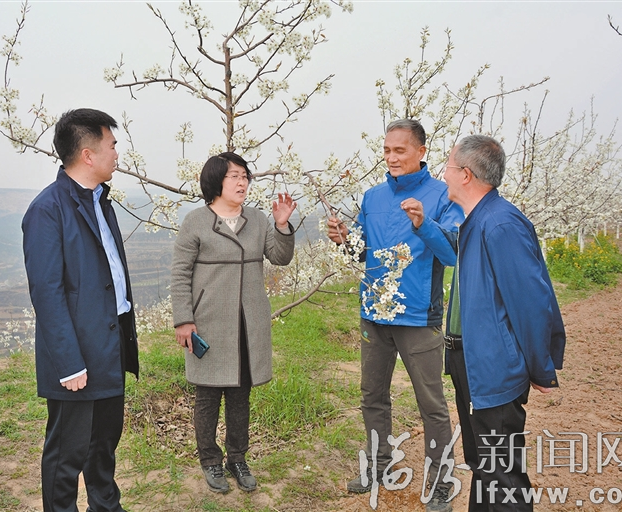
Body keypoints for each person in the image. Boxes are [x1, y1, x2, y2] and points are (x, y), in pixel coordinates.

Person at [327, 119, 464, 511]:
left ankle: (441, 483)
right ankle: (378, 467)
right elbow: (362, 252)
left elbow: (451, 254)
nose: (391, 158)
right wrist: (344, 240)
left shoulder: (442, 195)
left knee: (431, 405)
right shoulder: (373, 197)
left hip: (418, 316)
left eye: (399, 150)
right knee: (372, 396)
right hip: (374, 314)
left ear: (421, 151)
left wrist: (423, 224)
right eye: (387, 150)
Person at [22, 108, 138, 512]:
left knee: (104, 444)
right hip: (78, 353)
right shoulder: (48, 209)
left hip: (110, 342)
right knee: (67, 452)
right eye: (112, 145)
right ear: (88, 154)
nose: (117, 153)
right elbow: (47, 293)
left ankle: (106, 507)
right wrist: (69, 363)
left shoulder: (100, 202)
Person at [442, 135, 566, 511]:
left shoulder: (499, 224)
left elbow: (531, 303)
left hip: (493, 369)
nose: (443, 173)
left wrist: (541, 367)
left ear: (465, 174)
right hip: (471, 363)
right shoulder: (476, 220)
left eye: (448, 165)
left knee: (502, 476)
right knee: (484, 467)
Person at [171, 152, 296, 494]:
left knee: (241, 397)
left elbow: (280, 257)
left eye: (245, 176)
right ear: (216, 181)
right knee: (207, 397)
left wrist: (282, 225)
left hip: (247, 324)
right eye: (234, 176)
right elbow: (180, 274)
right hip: (208, 324)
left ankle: (237, 458)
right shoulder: (196, 222)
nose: (242, 183)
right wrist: (184, 320)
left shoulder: (256, 219)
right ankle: (210, 460)